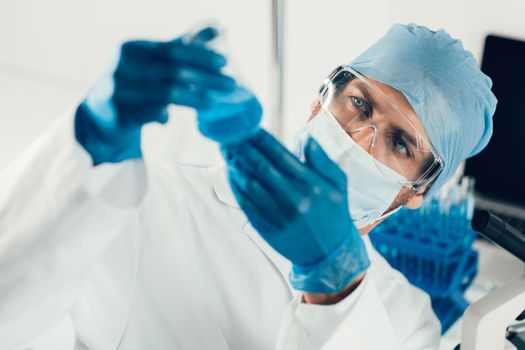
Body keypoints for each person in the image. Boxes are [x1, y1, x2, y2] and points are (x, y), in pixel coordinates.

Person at [0, 23, 496, 349]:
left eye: (400, 144)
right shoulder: (150, 203)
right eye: (360, 104)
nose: (357, 140)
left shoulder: (405, 322)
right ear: (319, 101)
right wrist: (89, 144)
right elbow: (15, 319)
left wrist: (337, 285)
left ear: (417, 193)